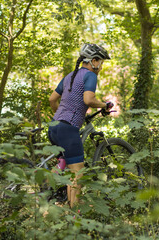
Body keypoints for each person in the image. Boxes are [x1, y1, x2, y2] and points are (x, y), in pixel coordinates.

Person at [48, 43, 113, 208]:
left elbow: (52, 100)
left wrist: (61, 117)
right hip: (67, 130)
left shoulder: (69, 75)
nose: (101, 66)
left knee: (65, 166)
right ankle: (75, 215)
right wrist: (105, 105)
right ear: (94, 61)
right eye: (101, 62)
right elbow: (88, 100)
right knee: (78, 174)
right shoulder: (90, 75)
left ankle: (50, 193)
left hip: (54, 127)